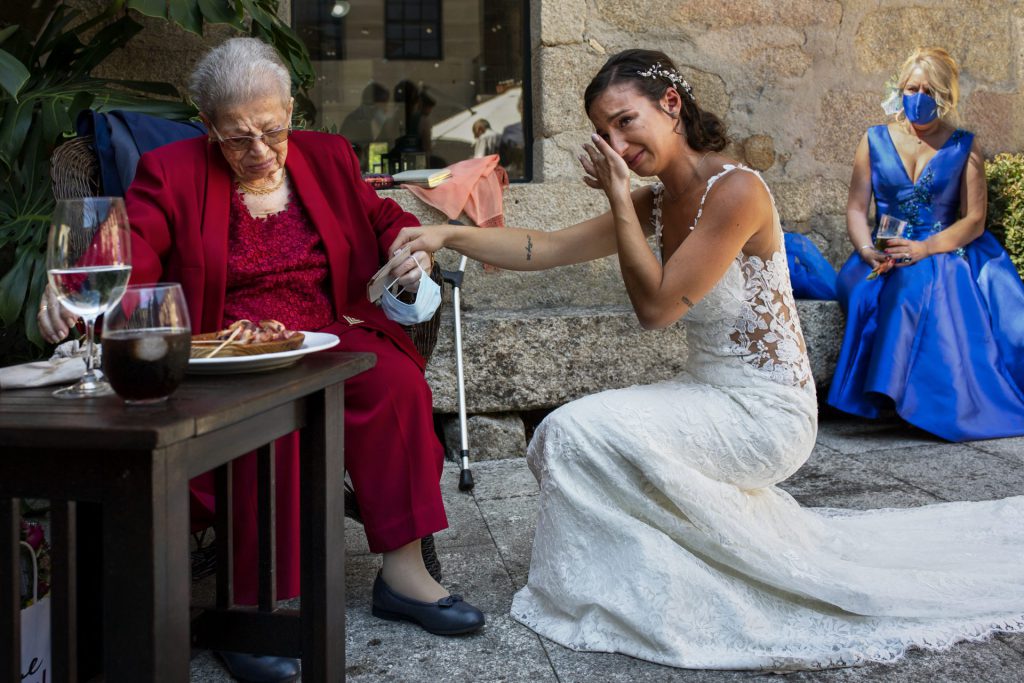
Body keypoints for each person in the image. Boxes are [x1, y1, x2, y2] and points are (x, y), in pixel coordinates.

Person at [390, 49, 1024, 671]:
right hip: (709, 390)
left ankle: (640, 588)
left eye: (624, 121)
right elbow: (543, 246)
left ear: (671, 105)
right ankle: (646, 578)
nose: (615, 143)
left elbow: (657, 309)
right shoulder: (655, 202)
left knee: (572, 433)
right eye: (602, 132)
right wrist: (446, 233)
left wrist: (617, 199)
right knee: (575, 438)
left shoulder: (737, 191)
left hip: (768, 413)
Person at [36, 37, 483, 683]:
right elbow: (128, 260)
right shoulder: (171, 172)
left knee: (395, 385)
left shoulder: (328, 157)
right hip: (227, 343)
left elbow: (383, 219)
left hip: (329, 331)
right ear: (208, 124)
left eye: (274, 130)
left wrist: (409, 252)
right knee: (260, 420)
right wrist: (80, 298)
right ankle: (250, 605)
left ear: (293, 110)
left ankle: (404, 573)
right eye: (237, 136)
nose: (260, 151)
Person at [829, 47, 1024, 441]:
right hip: (880, 249)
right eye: (911, 88)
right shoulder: (874, 140)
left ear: (944, 95)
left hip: (942, 247)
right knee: (864, 289)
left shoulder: (963, 146)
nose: (918, 97)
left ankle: (914, 401)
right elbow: (855, 209)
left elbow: (974, 220)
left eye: (928, 90)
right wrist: (868, 250)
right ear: (899, 90)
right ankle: (877, 396)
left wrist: (924, 248)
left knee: (914, 285)